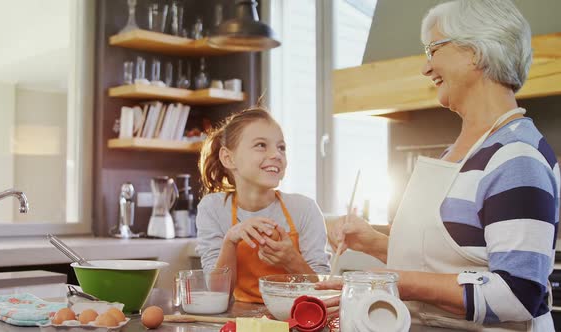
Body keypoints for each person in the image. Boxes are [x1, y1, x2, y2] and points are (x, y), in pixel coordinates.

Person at [321, 0, 559, 330]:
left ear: (474, 51)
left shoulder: (517, 156)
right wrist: (372, 243)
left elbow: (519, 295)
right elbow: (452, 262)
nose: (425, 67)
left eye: (433, 49)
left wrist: (394, 281)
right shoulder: (458, 153)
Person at [196, 106, 330, 303]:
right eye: (261, 145)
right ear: (228, 157)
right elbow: (217, 292)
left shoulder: (305, 209)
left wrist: (292, 260)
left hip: (294, 316)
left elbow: (323, 289)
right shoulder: (213, 208)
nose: (276, 154)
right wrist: (230, 240)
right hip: (238, 319)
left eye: (281, 147)